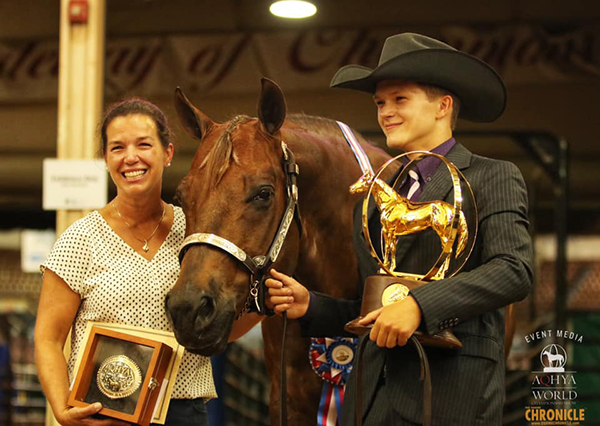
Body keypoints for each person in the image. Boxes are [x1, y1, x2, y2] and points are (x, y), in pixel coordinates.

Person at [266, 33, 533, 426]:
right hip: (370, 401)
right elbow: (377, 303)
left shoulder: (492, 176)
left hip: (450, 398)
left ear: (443, 106)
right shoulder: (376, 199)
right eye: (380, 103)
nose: (385, 112)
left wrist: (420, 307)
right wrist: (314, 306)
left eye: (399, 100)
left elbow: (514, 270)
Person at [34, 98, 257, 426]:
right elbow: (48, 338)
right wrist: (62, 407)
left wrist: (263, 309)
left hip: (186, 412)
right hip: (105, 414)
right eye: (117, 148)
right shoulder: (79, 239)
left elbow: (215, 327)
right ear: (106, 159)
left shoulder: (195, 233)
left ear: (167, 154)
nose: (131, 157)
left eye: (143, 144)